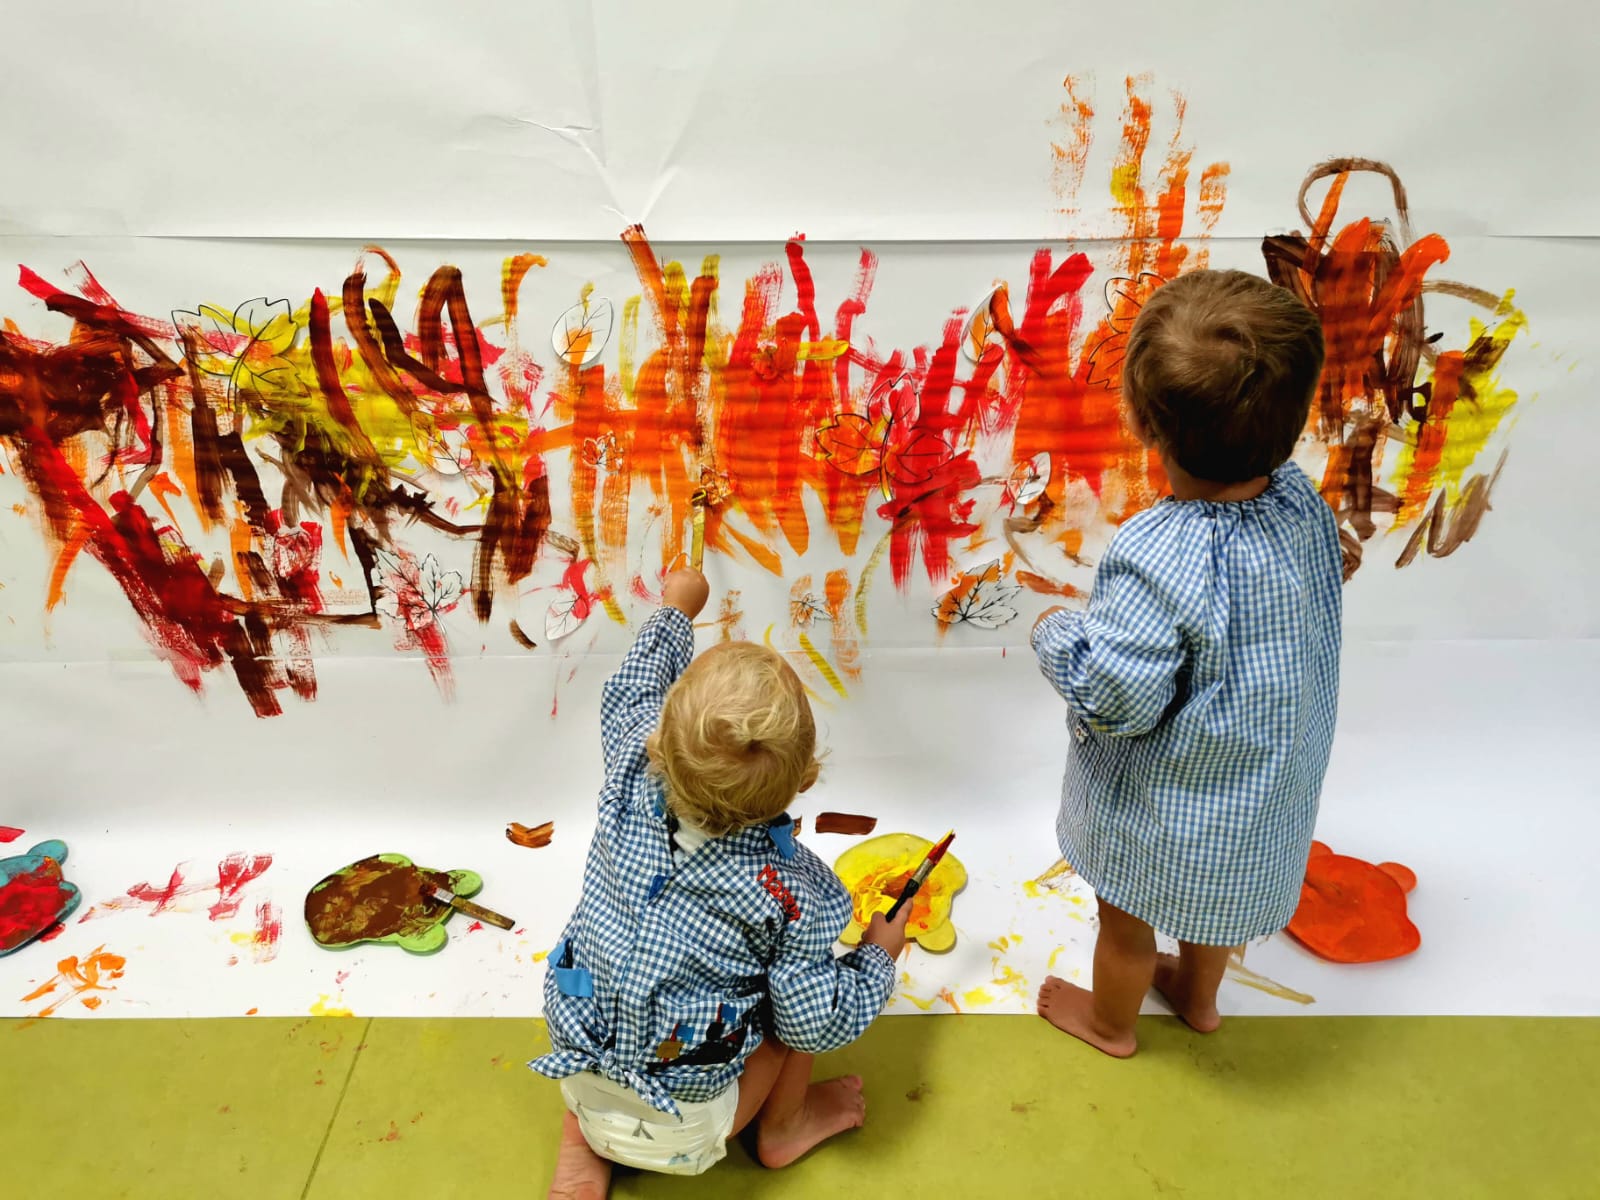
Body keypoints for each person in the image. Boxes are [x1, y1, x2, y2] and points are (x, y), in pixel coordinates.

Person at [1032, 268, 1342, 1057]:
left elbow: (1118, 702)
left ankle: (1110, 1024)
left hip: (1168, 803)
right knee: (1213, 909)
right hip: (1260, 793)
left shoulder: (1157, 552)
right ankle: (1200, 1000)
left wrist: (1057, 638)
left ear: (1145, 424)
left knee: (1127, 920)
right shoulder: (1302, 502)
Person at [534, 566, 909, 1198]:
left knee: (604, 993)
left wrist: (678, 610)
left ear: (659, 740)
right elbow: (815, 1022)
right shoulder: (793, 895)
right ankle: (785, 1127)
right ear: (805, 779)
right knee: (790, 1010)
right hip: (697, 1129)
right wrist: (876, 957)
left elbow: (629, 689)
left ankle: (583, 1144)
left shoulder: (629, 771)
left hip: (579, 1075)